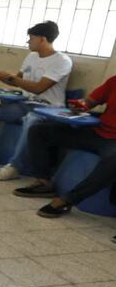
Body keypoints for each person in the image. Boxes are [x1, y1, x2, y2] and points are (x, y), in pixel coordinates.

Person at [0, 21, 72, 180]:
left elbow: (38, 88)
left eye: (31, 38)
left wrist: (10, 77)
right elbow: (18, 80)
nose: (28, 42)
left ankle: (14, 166)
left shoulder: (62, 61)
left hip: (49, 108)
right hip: (26, 104)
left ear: (42, 39)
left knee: (31, 121)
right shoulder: (31, 57)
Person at [13, 74, 116, 217]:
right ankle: (44, 183)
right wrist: (80, 105)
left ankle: (68, 200)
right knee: (39, 131)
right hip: (97, 132)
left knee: (113, 161)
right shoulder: (114, 81)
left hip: (113, 143)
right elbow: (90, 101)